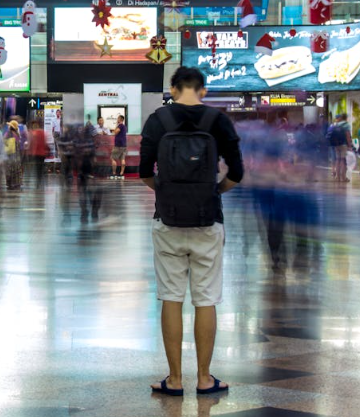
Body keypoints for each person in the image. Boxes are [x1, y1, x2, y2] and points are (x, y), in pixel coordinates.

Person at [140, 67, 243, 396]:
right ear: (203, 90)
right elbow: (237, 173)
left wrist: (167, 193)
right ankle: (203, 377)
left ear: (172, 88)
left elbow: (143, 172)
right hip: (208, 221)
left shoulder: (158, 120)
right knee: (206, 298)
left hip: (167, 221)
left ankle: (174, 380)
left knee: (171, 297)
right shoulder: (218, 120)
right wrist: (213, 191)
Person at [26, 121, 48, 188]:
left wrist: (30, 151)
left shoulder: (34, 133)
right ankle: (40, 180)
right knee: (41, 167)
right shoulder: (43, 132)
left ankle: (38, 181)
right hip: (42, 153)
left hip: (37, 153)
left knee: (38, 168)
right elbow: (45, 143)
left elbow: (33, 144)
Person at [3, 120, 23, 190]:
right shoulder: (17, 134)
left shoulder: (8, 133)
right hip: (17, 155)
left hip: (10, 155)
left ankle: (10, 183)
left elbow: (4, 141)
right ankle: (16, 183)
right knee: (16, 170)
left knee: (9, 169)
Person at [110, 115, 128, 180]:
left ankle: (114, 173)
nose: (117, 119)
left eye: (117, 118)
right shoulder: (124, 126)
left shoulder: (120, 125)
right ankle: (121, 173)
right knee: (122, 159)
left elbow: (116, 132)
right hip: (124, 145)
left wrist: (114, 129)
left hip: (118, 145)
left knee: (113, 158)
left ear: (120, 119)